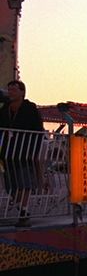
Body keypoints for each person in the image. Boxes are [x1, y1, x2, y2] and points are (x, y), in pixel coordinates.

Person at [0, 80, 44, 227]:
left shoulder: (30, 109)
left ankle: (23, 211)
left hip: (25, 151)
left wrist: (34, 151)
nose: (10, 92)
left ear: (22, 92)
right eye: (9, 89)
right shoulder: (4, 109)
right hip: (8, 152)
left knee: (24, 183)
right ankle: (22, 208)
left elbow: (38, 130)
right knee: (10, 185)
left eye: (14, 90)